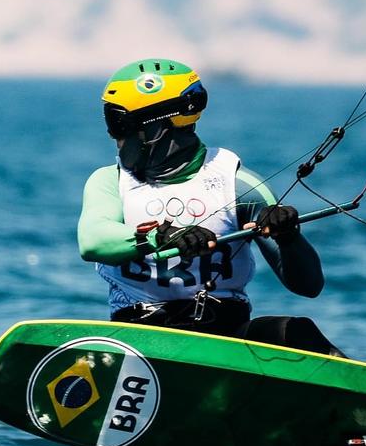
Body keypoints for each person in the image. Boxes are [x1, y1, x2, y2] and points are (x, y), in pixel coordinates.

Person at [77, 58, 344, 357]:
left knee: (296, 331)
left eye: (120, 124)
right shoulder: (109, 181)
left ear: (162, 125)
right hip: (139, 339)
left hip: (224, 338)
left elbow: (309, 286)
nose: (115, 137)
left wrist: (289, 238)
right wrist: (159, 237)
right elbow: (92, 241)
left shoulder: (240, 186)